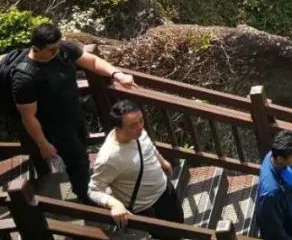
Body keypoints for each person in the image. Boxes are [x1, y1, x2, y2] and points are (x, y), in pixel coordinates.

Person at [11, 23, 136, 203]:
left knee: (82, 156)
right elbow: (28, 117)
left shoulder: (63, 50)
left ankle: (86, 192)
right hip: (55, 130)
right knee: (78, 163)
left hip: (75, 118)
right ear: (36, 48)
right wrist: (43, 144)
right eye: (51, 50)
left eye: (58, 46)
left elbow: (92, 61)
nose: (57, 52)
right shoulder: (24, 78)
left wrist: (116, 74)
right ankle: (89, 200)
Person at [89, 100, 183, 235]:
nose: (140, 127)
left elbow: (148, 147)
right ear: (118, 128)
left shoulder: (138, 131)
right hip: (147, 208)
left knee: (179, 227)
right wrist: (114, 204)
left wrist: (163, 162)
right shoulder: (109, 158)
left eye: (141, 121)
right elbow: (94, 190)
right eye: (133, 125)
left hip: (165, 191)